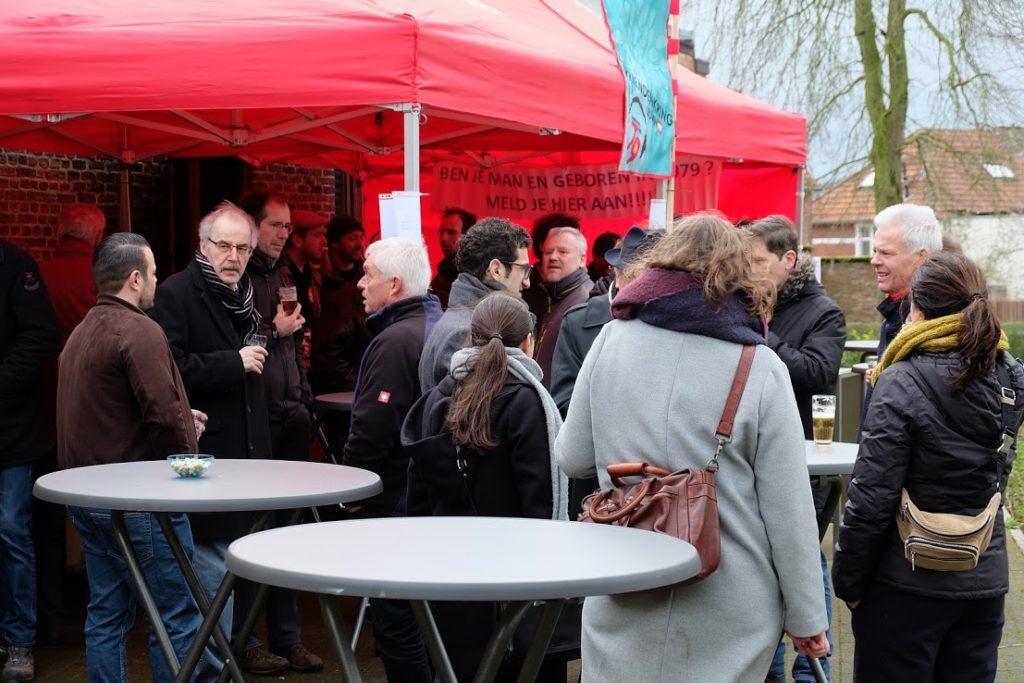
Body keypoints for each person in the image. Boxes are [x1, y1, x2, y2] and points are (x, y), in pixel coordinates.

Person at [554, 214, 829, 681]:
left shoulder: (610, 339)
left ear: (662, 266)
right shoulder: (759, 366)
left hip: (626, 584)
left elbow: (572, 456)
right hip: (729, 603)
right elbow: (789, 509)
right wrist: (807, 619)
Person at [833, 253, 1024, 682]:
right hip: (983, 577)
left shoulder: (900, 380)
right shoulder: (1010, 377)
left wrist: (848, 582)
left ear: (915, 308)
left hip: (905, 584)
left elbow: (871, 498)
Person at [57, 233, 207, 682]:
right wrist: (189, 453)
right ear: (136, 278)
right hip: (139, 503)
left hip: (88, 498)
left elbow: (112, 411)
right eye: (156, 273)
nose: (158, 281)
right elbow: (163, 416)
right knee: (177, 614)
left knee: (107, 612)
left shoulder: (82, 330)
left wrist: (180, 415)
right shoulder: (140, 329)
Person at [402, 293, 568, 681]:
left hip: (449, 575)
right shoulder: (528, 402)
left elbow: (418, 496)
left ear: (469, 338)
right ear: (529, 341)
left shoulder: (437, 397)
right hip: (514, 580)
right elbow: (540, 501)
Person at [150, 200, 273, 673]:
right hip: (206, 459)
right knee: (210, 577)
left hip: (247, 458)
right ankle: (205, 668)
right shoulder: (177, 294)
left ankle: (225, 661)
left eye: (243, 248)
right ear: (203, 246)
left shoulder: (245, 295)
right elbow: (170, 370)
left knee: (237, 573)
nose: (233, 256)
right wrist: (232, 363)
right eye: (224, 245)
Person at [745, 215, 846, 683]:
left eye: (758, 260)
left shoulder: (824, 312)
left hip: (804, 461)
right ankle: (770, 672)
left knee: (805, 556)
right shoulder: (743, 302)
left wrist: (763, 334)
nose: (749, 268)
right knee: (762, 562)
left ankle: (812, 671)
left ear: (788, 260)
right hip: (752, 456)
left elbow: (815, 373)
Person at [342, 237, 442, 682]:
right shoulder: (439, 324)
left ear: (395, 284)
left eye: (368, 275)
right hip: (433, 496)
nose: (361, 284)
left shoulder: (394, 340)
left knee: (395, 614)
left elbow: (372, 426)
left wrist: (352, 492)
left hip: (395, 496)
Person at [236, 191, 322, 675]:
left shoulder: (286, 275)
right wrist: (275, 333)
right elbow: (240, 351)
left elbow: (295, 348)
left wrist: (305, 398)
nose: (283, 233)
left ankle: (288, 638)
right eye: (275, 225)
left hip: (290, 417)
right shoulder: (239, 281)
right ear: (251, 227)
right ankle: (247, 641)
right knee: (254, 535)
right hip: (256, 425)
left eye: (287, 226)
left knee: (287, 535)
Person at [35, 202, 107, 645]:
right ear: (96, 238)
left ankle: (50, 611)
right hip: (87, 413)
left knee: (39, 521)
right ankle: (91, 603)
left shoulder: (36, 274)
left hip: (36, 412)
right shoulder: (96, 283)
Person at [0, 240, 61, 682]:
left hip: (11, 432)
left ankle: (19, 640)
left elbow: (42, 337)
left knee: (10, 531)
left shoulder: (15, 264)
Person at [418, 217, 532, 394]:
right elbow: (473, 414)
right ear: (496, 270)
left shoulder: (464, 322)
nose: (527, 282)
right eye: (524, 270)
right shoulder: (468, 332)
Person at [523, 227, 593, 387]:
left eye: (563, 251)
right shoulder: (553, 295)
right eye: (548, 252)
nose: (553, 257)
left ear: (582, 259)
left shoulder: (586, 301)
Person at [871, 203, 943, 358]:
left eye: (886, 253)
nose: (874, 261)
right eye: (875, 251)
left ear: (921, 257)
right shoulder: (894, 314)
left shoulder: (933, 324)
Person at [311, 214, 369, 394]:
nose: (359, 243)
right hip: (340, 388)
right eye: (352, 238)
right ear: (335, 242)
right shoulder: (318, 279)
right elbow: (328, 352)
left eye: (361, 237)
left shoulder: (367, 278)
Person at [279, 208, 329, 335]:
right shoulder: (280, 274)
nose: (324, 241)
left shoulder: (314, 274)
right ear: (297, 240)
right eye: (317, 235)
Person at [431, 208, 477, 308]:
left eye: (451, 232)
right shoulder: (442, 275)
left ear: (468, 236)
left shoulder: (482, 274)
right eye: (442, 232)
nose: (444, 238)